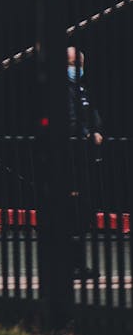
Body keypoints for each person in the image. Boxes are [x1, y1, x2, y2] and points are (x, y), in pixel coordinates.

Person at [67, 45, 103, 280]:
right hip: (70, 152)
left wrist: (96, 129)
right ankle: (72, 265)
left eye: (80, 64)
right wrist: (87, 133)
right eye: (73, 64)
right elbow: (69, 117)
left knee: (81, 212)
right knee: (74, 211)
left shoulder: (80, 89)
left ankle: (77, 264)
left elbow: (92, 113)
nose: (78, 68)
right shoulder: (64, 89)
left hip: (81, 152)